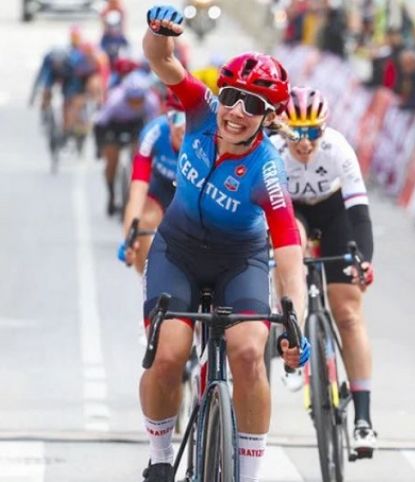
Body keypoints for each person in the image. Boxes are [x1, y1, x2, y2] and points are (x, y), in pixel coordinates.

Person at [133, 6, 309, 482]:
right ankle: (160, 457)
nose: (236, 112)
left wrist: (295, 321)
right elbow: (161, 60)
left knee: (249, 354)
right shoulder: (200, 109)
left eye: (253, 105)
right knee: (169, 354)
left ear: (268, 117)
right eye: (232, 97)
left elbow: (288, 252)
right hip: (177, 252)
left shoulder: (267, 170)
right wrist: (158, 33)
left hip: (239, 261)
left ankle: (246, 474)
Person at [272, 86, 378, 458]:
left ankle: (363, 418)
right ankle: (290, 334)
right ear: (283, 129)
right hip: (292, 212)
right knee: (289, 251)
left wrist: (363, 259)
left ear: (324, 128)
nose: (304, 143)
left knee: (348, 313)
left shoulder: (338, 149)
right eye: (296, 133)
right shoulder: (274, 152)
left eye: (313, 132)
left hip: (334, 215)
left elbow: (359, 215)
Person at [121, 93, 185, 274]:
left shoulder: (209, 138)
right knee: (141, 224)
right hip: (162, 188)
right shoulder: (154, 133)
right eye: (177, 118)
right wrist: (129, 239)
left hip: (193, 196)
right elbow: (137, 190)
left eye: (191, 119)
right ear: (168, 119)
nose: (184, 126)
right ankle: (148, 283)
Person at [93, 71, 160, 215]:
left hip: (135, 126)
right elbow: (99, 124)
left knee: (138, 154)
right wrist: (99, 147)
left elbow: (154, 127)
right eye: (132, 100)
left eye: (139, 100)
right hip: (113, 126)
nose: (135, 104)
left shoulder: (150, 101)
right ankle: (111, 194)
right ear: (126, 96)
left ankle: (134, 189)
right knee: (111, 160)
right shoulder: (115, 101)